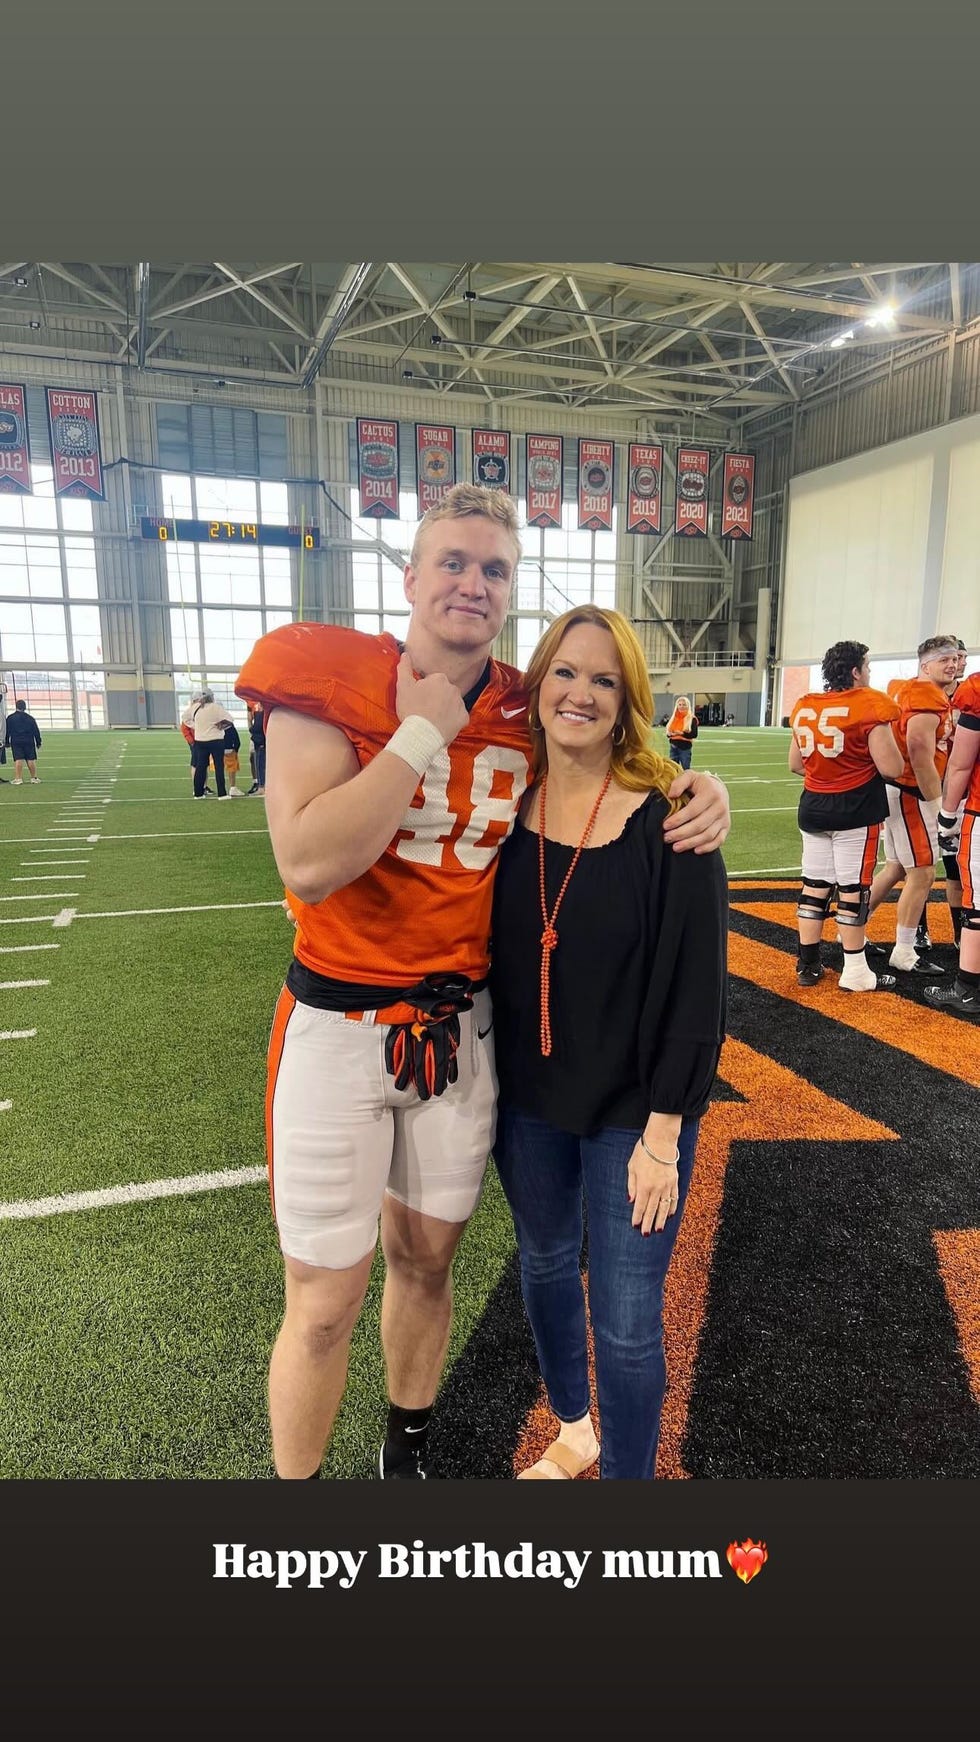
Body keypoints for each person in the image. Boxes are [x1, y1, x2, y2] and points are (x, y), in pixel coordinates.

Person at [234, 481, 731, 1481]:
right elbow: (306, 861)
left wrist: (694, 783)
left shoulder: (521, 701)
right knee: (322, 1300)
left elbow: (605, 760)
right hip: (340, 1020)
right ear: (409, 575)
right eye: (451, 562)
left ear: (511, 591)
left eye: (493, 568)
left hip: (462, 1032)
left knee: (427, 1262)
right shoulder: (329, 671)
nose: (470, 582)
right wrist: (419, 731)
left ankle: (402, 1460)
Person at [488, 606, 728, 1480]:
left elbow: (698, 991)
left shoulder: (674, 821)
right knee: (546, 1266)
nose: (579, 693)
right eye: (564, 672)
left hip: (636, 1110)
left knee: (628, 1319)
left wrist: (664, 1137)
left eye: (603, 679)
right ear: (536, 681)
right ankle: (574, 1428)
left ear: (628, 698)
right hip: (527, 1102)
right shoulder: (498, 811)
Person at [788, 641, 903, 992]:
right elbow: (892, 767)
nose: (869, 673)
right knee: (853, 890)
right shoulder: (869, 704)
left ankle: (808, 964)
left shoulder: (807, 705)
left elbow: (795, 764)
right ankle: (855, 972)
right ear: (855, 671)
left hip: (813, 807)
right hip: (854, 810)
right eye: (866, 666)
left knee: (814, 887)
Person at [865, 636, 959, 973]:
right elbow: (920, 754)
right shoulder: (924, 695)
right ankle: (904, 951)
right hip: (911, 791)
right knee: (922, 872)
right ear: (925, 664)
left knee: (895, 867)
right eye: (943, 659)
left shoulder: (907, 688)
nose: (952, 664)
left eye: (955, 658)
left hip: (897, 788)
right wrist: (939, 809)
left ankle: (854, 929)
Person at [924, 664, 980, 1016]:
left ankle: (968, 989)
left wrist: (947, 815)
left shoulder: (975, 690)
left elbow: (960, 764)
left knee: (976, 907)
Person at [181, 689, 233, 800]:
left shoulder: (196, 707)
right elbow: (230, 720)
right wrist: (221, 726)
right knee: (219, 767)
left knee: (200, 767)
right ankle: (222, 794)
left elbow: (184, 718)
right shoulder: (216, 707)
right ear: (212, 697)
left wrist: (196, 726)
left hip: (200, 741)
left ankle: (198, 793)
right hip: (216, 740)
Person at [5, 698, 43, 785]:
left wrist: (7, 742)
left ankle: (18, 779)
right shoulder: (30, 718)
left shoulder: (10, 718)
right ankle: (34, 778)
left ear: (16, 706)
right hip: (29, 740)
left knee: (18, 759)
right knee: (31, 759)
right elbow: (36, 731)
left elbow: (7, 731)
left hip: (16, 741)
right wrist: (38, 742)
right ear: (25, 707)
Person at [665, 695, 698, 769]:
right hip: (673, 746)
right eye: (679, 705)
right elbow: (669, 732)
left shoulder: (692, 718)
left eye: (684, 705)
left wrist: (682, 733)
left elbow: (694, 734)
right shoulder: (674, 718)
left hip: (685, 747)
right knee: (672, 769)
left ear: (688, 706)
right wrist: (669, 734)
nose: (681, 706)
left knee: (685, 769)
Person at [247, 701, 266, 795]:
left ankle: (261, 786)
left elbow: (256, 723)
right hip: (264, 736)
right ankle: (262, 784)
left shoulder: (253, 704)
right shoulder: (256, 703)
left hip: (260, 738)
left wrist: (252, 730)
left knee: (259, 763)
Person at [223, 719, 244, 796]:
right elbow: (237, 740)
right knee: (231, 769)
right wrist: (236, 749)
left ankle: (221, 787)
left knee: (219, 769)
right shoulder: (231, 728)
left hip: (218, 749)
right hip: (229, 749)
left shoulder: (216, 727)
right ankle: (232, 787)